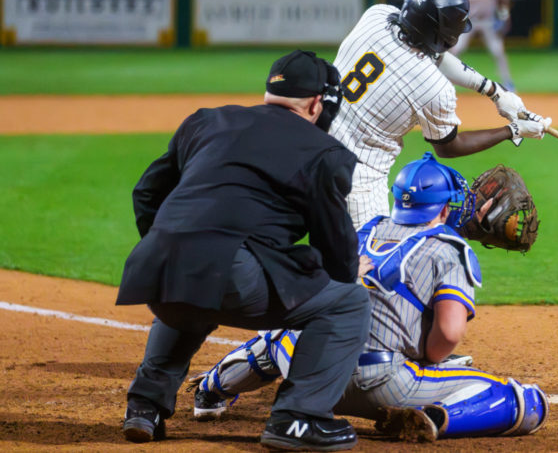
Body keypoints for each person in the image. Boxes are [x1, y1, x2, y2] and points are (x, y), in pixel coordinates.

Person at [189, 153, 548, 442]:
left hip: (309, 374)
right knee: (527, 401)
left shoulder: (364, 230)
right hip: (378, 384)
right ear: (443, 209)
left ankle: (210, 391)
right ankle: (436, 419)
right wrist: (430, 359)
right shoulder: (450, 250)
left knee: (281, 336)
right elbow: (450, 335)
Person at [116, 50, 371, 451]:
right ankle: (298, 417)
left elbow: (147, 193)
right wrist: (335, 273)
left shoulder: (205, 120)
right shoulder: (326, 152)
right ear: (318, 104)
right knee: (348, 302)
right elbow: (336, 251)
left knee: (194, 278)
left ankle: (144, 407)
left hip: (156, 269)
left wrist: (167, 249)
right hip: (231, 274)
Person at [327, 0, 549, 228]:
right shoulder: (432, 87)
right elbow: (448, 147)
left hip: (311, 147)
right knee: (369, 263)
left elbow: (434, 54)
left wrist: (495, 92)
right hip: (358, 179)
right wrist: (513, 130)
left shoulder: (376, 16)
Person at [449, 0, 516, 91]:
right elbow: (453, 1)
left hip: (488, 22)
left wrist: (503, 16)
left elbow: (504, 0)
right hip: (468, 21)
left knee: (498, 51)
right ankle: (443, 80)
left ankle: (508, 82)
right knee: (455, 49)